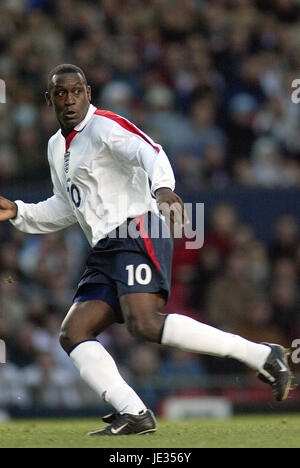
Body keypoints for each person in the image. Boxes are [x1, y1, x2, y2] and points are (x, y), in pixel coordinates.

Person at [0, 64, 292, 436]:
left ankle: (261, 355)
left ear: (89, 93)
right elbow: (65, 206)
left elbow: (150, 151)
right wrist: (19, 212)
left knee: (144, 322)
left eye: (76, 91)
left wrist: (163, 189)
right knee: (73, 333)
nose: (70, 99)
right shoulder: (57, 147)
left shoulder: (105, 126)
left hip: (138, 228)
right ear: (49, 99)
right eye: (61, 93)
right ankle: (134, 412)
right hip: (105, 247)